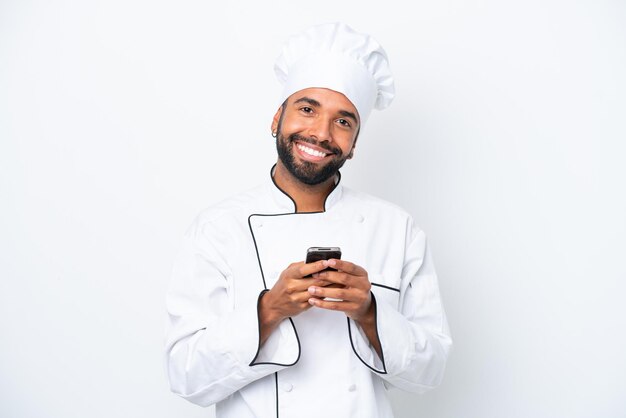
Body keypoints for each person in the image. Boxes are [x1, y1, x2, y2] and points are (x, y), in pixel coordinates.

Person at [164, 22, 452, 418]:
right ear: (276, 118)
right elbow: (186, 376)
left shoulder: (396, 229)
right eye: (307, 109)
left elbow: (430, 370)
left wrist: (369, 312)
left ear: (354, 144)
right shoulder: (217, 229)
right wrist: (270, 309)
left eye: (343, 120)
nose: (321, 132)